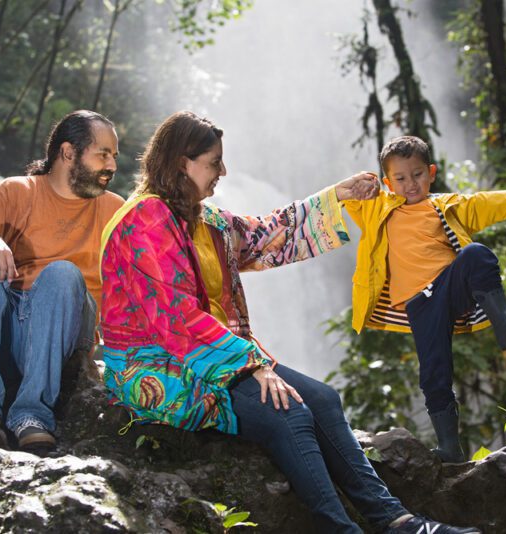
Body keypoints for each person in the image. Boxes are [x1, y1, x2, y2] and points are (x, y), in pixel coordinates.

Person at [100, 111, 480, 533]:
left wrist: (339, 196)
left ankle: (396, 519)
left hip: (212, 356)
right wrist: (253, 365)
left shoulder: (200, 216)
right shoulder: (146, 219)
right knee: (290, 413)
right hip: (157, 366)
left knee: (322, 399)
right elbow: (176, 317)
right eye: (213, 162)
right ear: (179, 163)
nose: (223, 172)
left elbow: (264, 236)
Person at [342, 135, 506, 463]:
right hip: (418, 304)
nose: (410, 184)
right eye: (401, 178)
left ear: (431, 172)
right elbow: (346, 198)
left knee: (477, 254)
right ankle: (450, 446)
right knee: (434, 371)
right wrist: (360, 184)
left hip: (449, 287)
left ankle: (504, 325)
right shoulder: (378, 211)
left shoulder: (448, 206)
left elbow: (498, 202)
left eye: (418, 174)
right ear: (388, 183)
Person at [0, 110, 125, 454]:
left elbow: (137, 292)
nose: (112, 165)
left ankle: (32, 414)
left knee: (61, 273)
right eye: (103, 154)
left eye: (114, 155)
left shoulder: (116, 211)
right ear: (68, 153)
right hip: (5, 335)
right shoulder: (15, 192)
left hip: (65, 335)